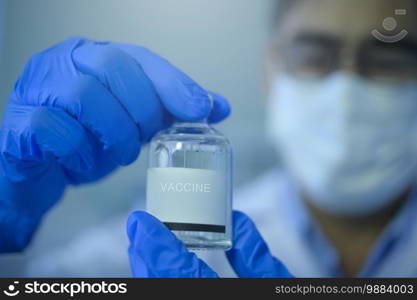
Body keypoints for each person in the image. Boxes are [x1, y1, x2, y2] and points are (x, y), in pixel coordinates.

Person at [2, 0, 417, 277]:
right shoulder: (141, 248)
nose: (346, 92)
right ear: (269, 73)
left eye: (388, 57)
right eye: (311, 56)